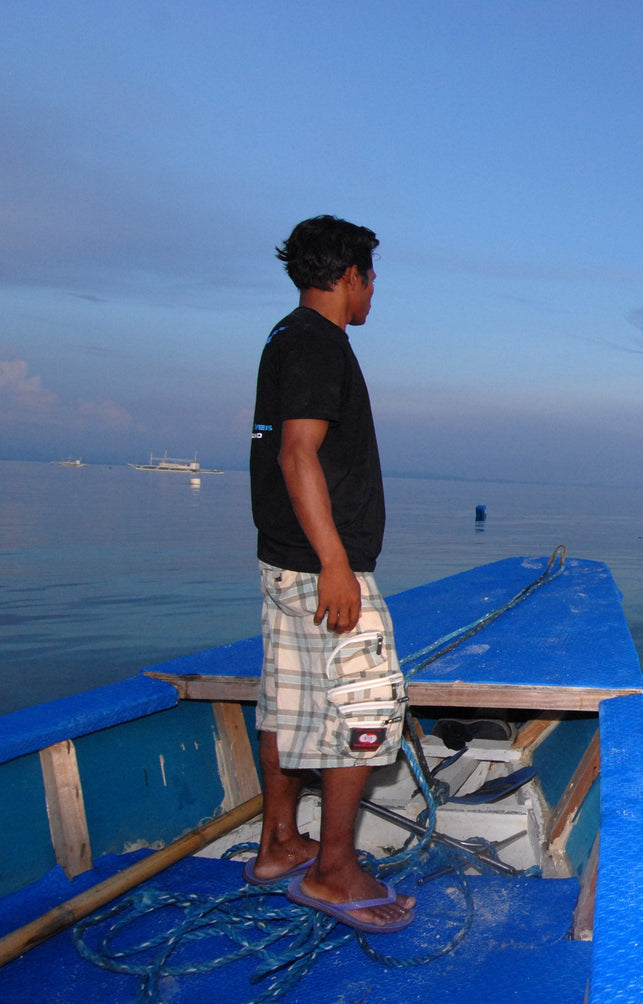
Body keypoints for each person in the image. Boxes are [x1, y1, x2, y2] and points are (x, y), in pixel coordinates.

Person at [247, 215, 414, 933]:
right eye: (370, 279)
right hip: (322, 567)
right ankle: (334, 871)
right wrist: (337, 564)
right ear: (350, 276)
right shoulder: (319, 343)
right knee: (366, 708)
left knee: (288, 702)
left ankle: (279, 845)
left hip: (285, 561)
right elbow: (298, 454)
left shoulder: (285, 336)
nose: (373, 292)